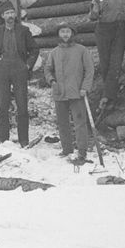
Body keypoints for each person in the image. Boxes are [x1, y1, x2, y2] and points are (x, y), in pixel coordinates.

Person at [0, 3, 38, 147]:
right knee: (3, 104)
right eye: (7, 13)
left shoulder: (23, 31)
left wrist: (27, 65)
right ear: (2, 16)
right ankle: (3, 138)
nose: (10, 16)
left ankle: (23, 139)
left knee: (22, 104)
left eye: (12, 13)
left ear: (15, 15)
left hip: (19, 69)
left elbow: (34, 49)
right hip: (2, 69)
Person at [44, 24, 95, 165]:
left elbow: (89, 70)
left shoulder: (81, 50)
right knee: (62, 123)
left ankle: (82, 152)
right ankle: (67, 149)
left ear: (72, 33)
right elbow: (47, 69)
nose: (65, 34)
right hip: (60, 92)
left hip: (77, 92)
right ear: (58, 34)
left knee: (80, 123)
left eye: (68, 32)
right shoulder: (54, 52)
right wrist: (52, 80)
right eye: (62, 32)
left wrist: (85, 87)